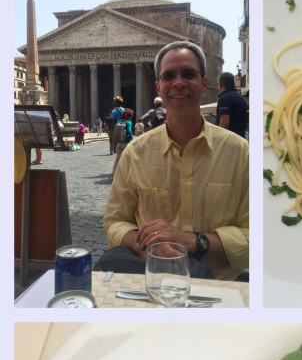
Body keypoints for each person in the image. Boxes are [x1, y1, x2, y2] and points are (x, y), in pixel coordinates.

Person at [99, 40, 249, 281]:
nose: (178, 83)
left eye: (188, 74)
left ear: (203, 83)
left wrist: (192, 241)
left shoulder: (240, 153)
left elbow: (255, 236)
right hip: (154, 281)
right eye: (169, 76)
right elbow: (115, 221)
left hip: (223, 286)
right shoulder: (135, 152)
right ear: (158, 87)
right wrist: (146, 245)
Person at [216, 72, 248, 138]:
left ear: (220, 85)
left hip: (229, 141)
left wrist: (217, 140)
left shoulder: (224, 98)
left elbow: (224, 124)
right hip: (241, 139)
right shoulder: (241, 98)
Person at [111, 108, 134, 176]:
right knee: (129, 158)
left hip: (119, 142)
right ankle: (128, 175)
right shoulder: (128, 122)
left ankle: (114, 174)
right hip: (127, 142)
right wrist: (131, 136)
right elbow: (129, 131)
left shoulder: (119, 121)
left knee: (118, 158)